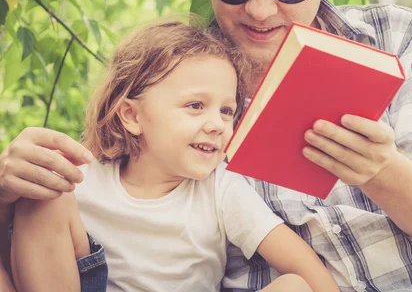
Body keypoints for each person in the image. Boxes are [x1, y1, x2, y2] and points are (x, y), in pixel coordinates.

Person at [0, 0, 412, 291]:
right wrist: (9, 187)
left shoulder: (395, 38)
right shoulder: (181, 78)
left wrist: (382, 170)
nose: (259, 9)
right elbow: (94, 197)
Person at [5, 20, 339, 292]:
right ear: (132, 116)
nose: (217, 125)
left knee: (294, 286)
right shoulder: (84, 179)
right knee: (47, 190)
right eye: (195, 106)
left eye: (226, 111)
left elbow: (310, 274)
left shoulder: (220, 189)